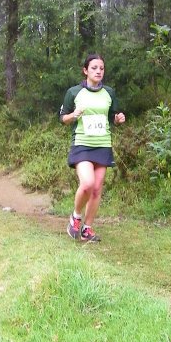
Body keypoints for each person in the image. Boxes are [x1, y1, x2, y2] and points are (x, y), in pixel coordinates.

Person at [59, 53, 125, 243]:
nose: (98, 71)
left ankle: (87, 229)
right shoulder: (74, 92)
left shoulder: (109, 92)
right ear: (85, 71)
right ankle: (75, 217)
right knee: (87, 183)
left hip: (102, 144)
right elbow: (62, 118)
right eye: (94, 68)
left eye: (101, 68)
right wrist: (73, 115)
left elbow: (113, 116)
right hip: (82, 144)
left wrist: (118, 119)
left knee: (96, 189)